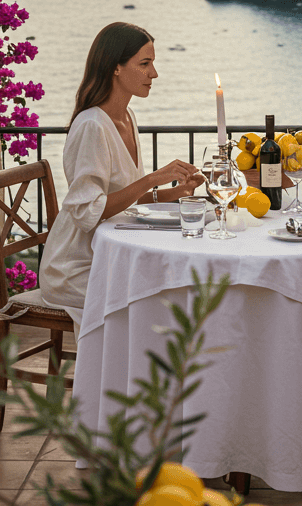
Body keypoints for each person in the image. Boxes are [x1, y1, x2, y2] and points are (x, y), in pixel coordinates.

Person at [39, 22, 202, 329]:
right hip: (75, 268)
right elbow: (88, 211)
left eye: (152, 64)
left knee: (179, 287)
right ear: (115, 67)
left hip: (109, 257)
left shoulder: (127, 116)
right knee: (163, 298)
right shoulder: (92, 126)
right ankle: (127, 375)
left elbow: (128, 198)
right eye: (144, 64)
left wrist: (176, 193)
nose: (154, 74)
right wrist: (154, 178)